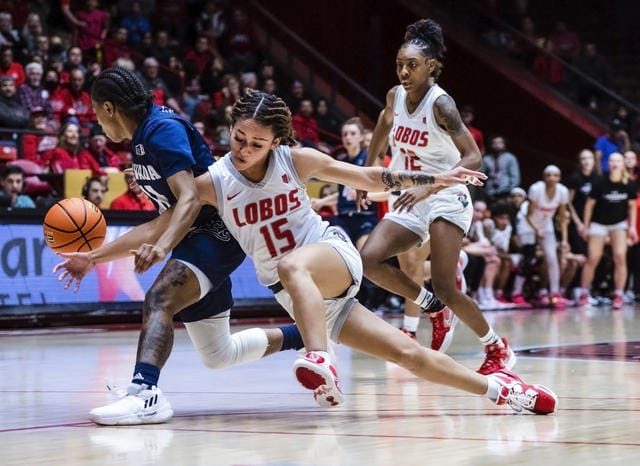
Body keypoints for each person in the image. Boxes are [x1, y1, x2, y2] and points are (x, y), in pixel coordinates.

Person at [111, 89, 557, 416]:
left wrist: (432, 180)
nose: (244, 149)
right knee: (409, 355)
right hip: (306, 297)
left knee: (291, 264)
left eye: (257, 143)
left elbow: (368, 177)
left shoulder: (296, 160)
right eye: (239, 138)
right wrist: (97, 255)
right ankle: (504, 391)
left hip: (331, 256)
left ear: (277, 142)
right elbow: (165, 219)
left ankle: (320, 359)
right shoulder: (215, 181)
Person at [53, 66, 305, 426]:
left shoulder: (161, 130)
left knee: (160, 298)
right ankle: (309, 333)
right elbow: (162, 220)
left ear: (109, 109)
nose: (97, 121)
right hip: (194, 234)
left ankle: (144, 392)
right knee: (218, 353)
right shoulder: (145, 139)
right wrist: (92, 258)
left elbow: (190, 200)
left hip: (218, 230)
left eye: (95, 112)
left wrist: (161, 247)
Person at [359, 19, 516, 374]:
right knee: (368, 259)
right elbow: (383, 126)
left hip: (446, 195)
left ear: (431, 66)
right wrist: (365, 174)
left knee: (446, 284)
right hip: (410, 195)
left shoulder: (441, 104)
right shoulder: (394, 96)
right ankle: (432, 308)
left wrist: (431, 186)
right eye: (399, 64)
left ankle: (497, 348)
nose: (403, 71)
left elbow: (473, 157)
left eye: (411, 65)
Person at [578, 152, 638, 309]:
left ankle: (619, 294)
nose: (614, 163)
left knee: (620, 256)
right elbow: (589, 205)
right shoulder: (600, 181)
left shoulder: (629, 184)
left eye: (617, 160)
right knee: (593, 257)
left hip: (619, 224)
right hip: (599, 223)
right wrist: (585, 226)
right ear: (608, 164)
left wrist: (632, 227)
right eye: (611, 160)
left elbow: (632, 206)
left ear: (623, 163)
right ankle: (584, 293)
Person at [510, 165, 570, 308]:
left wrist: (565, 240)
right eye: (548, 175)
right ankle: (516, 293)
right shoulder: (536, 189)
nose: (551, 178)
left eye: (555, 175)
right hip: (527, 223)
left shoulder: (562, 191)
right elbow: (529, 213)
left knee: (552, 258)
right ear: (544, 177)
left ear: (559, 178)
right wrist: (536, 229)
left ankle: (554, 293)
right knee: (528, 258)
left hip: (545, 224)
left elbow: (562, 216)